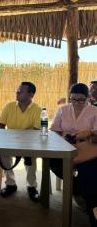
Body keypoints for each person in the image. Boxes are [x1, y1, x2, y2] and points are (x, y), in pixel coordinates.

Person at [50, 83, 97, 227]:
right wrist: (64, 138)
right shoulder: (63, 110)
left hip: (87, 150)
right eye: (73, 99)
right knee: (53, 162)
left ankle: (93, 215)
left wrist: (88, 133)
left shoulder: (94, 111)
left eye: (81, 100)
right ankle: (77, 190)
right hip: (65, 147)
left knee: (88, 176)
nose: (77, 103)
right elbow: (55, 130)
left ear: (88, 98)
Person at [0, 81, 41, 202]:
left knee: (31, 158)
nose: (17, 92)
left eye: (20, 91)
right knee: (3, 154)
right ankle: (11, 184)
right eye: (17, 90)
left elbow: (37, 131)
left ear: (31, 94)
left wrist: (22, 141)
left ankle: (31, 186)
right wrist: (6, 140)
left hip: (29, 143)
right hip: (10, 142)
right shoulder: (9, 106)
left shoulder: (37, 110)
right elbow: (1, 125)